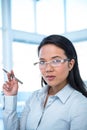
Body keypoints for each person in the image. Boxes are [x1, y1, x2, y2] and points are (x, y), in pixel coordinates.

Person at [2, 34, 87, 130]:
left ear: (70, 64)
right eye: (42, 62)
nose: (48, 69)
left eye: (56, 61)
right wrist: (10, 97)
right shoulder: (34, 97)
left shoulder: (80, 105)